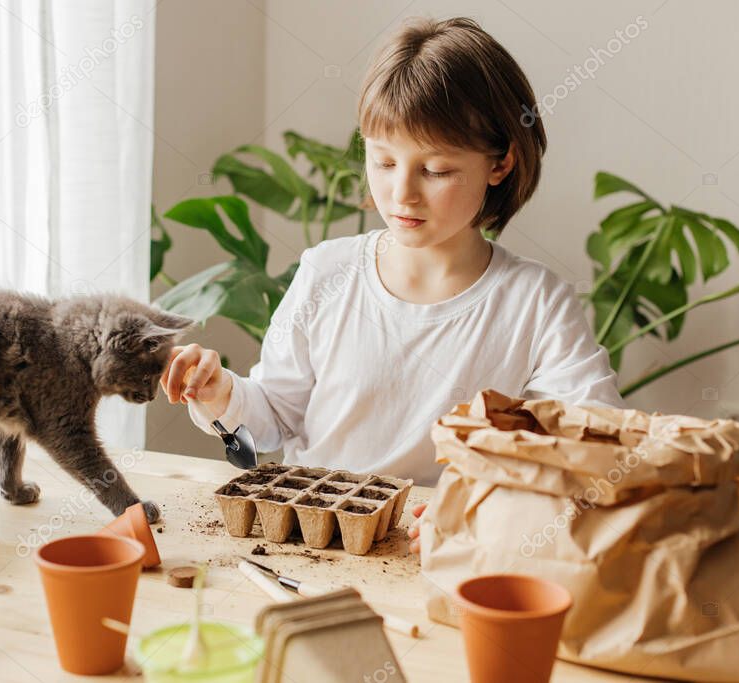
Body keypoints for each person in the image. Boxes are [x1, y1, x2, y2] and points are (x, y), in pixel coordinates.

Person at [159, 18, 623, 543]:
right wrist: (222, 393)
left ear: (501, 163)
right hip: (310, 539)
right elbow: (272, 420)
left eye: (436, 171)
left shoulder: (537, 305)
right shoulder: (326, 273)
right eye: (382, 161)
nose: (402, 193)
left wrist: (490, 503)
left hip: (440, 551)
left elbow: (596, 442)